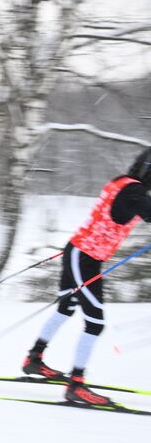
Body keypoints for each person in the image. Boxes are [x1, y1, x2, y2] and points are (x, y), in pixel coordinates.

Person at [21, 148, 151, 407]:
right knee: (95, 323)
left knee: (66, 309)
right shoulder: (134, 191)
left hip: (78, 252)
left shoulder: (122, 183)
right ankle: (76, 385)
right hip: (85, 259)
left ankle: (34, 359)